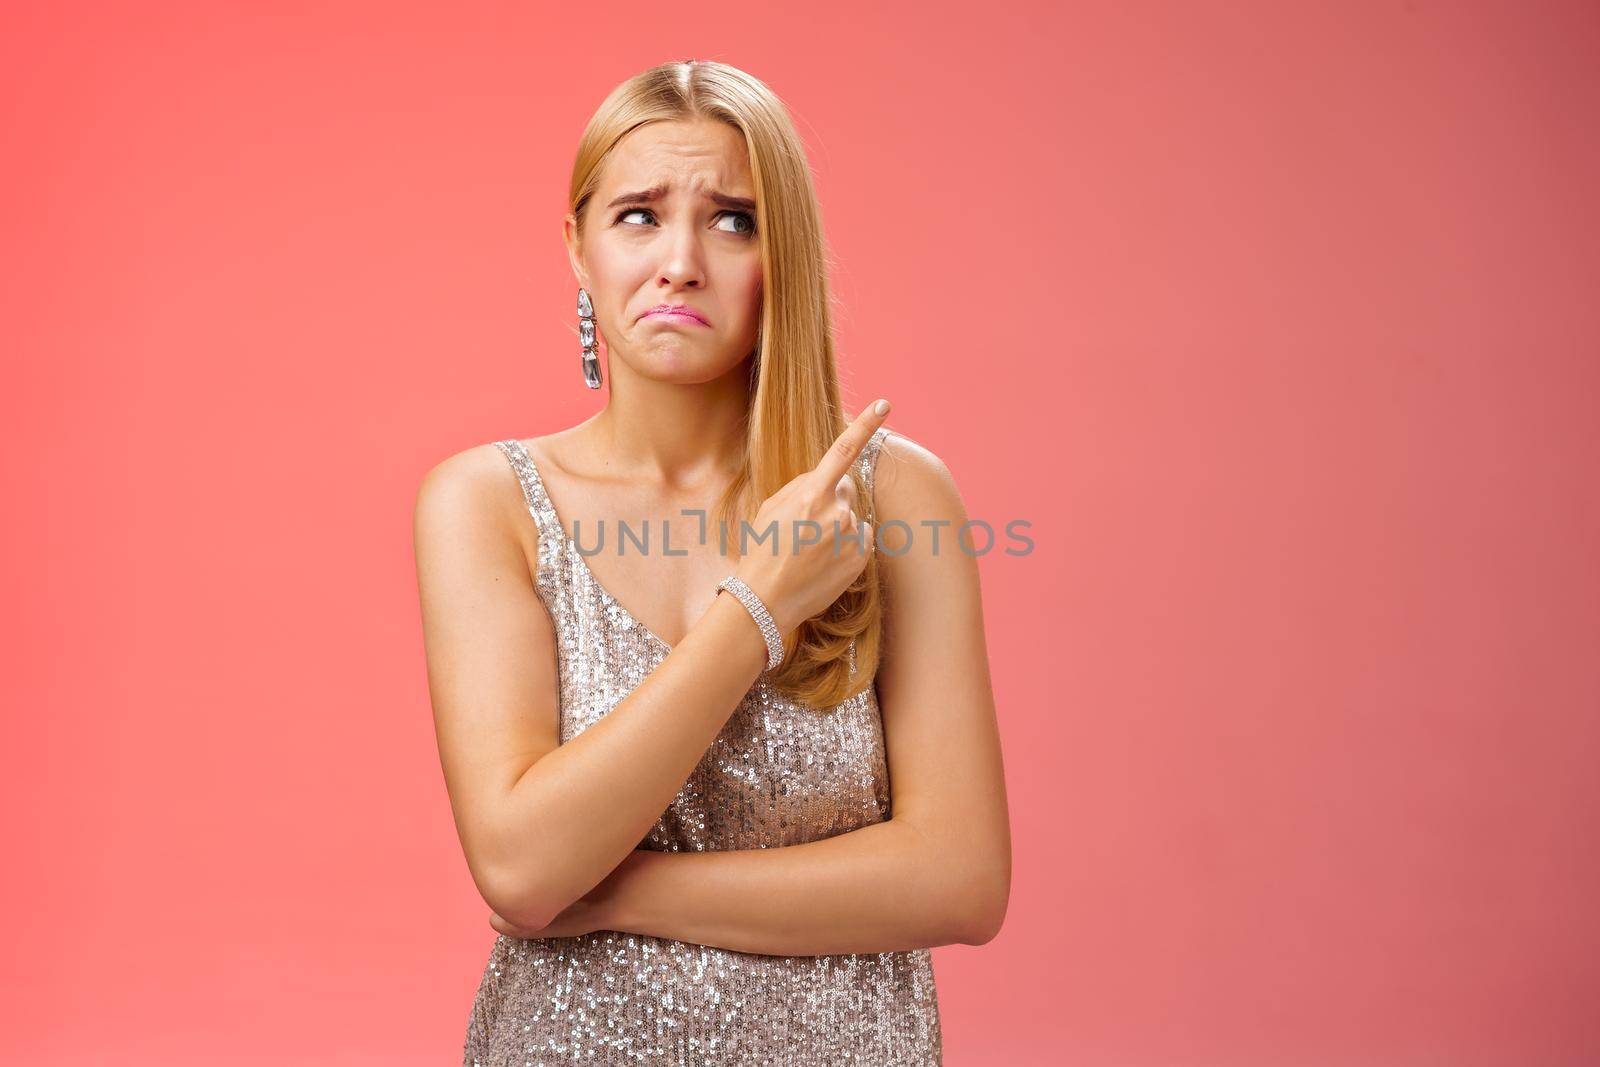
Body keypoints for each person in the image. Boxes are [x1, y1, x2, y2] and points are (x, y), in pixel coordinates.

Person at [414, 59, 1011, 1066]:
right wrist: (757, 608)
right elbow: (520, 863)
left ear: (785, 255)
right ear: (578, 248)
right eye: (638, 215)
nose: (679, 260)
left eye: (733, 219)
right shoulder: (488, 502)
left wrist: (616, 892)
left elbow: (960, 876)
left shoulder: (892, 499)